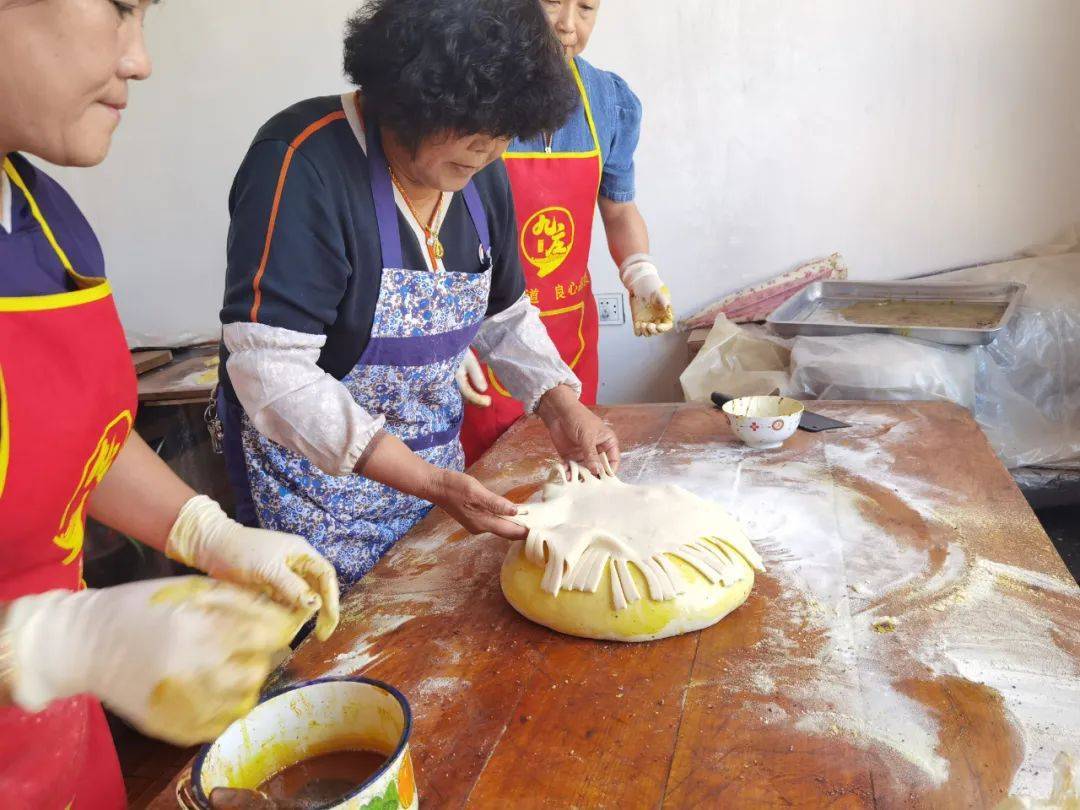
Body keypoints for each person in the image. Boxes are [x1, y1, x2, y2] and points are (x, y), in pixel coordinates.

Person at [0, 2, 340, 805]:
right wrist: (55, 642)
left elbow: (84, 441)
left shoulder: (43, 221)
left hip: (58, 746)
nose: (141, 59)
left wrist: (208, 533)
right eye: (118, 8)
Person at [216, 0, 621, 589]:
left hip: (437, 481)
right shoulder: (303, 161)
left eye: (503, 134)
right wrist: (427, 481)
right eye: (473, 132)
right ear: (406, 101)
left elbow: (504, 317)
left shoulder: (482, 174)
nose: (488, 153)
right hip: (313, 492)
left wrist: (562, 406)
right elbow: (271, 369)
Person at [458, 0, 674, 464]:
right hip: (482, 334)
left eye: (587, 7)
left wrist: (640, 272)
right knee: (486, 488)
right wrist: (441, 332)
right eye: (553, 2)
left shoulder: (608, 100)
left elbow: (618, 209)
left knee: (570, 469)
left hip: (570, 329)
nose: (567, 25)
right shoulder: (469, 91)